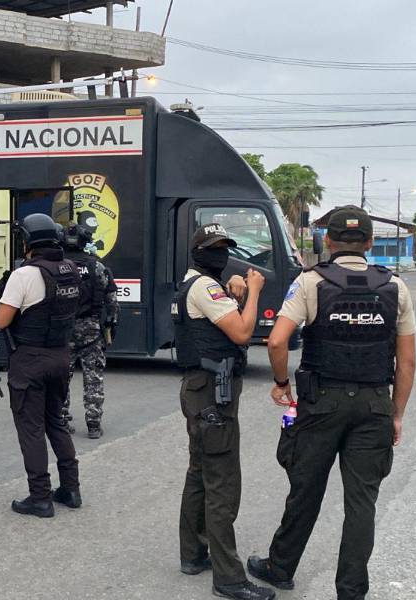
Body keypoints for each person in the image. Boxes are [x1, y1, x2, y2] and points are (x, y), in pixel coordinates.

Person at [247, 205, 416, 600]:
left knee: (305, 489)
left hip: (321, 401)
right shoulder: (396, 287)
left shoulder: (310, 282)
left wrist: (281, 382)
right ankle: (351, 591)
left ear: (328, 241)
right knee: (362, 503)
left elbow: (276, 340)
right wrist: (396, 414)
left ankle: (281, 567)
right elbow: (406, 360)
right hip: (374, 403)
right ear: (371, 242)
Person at [174, 223, 273, 600]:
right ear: (199, 251)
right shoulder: (204, 286)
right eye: (214, 248)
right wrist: (254, 293)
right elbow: (242, 332)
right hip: (213, 394)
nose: (221, 253)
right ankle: (229, 578)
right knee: (222, 481)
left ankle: (193, 553)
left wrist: (234, 291)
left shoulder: (197, 284)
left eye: (225, 247)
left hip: (200, 390)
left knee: (200, 472)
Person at [0, 213, 83, 518]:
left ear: (27, 240)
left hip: (30, 359)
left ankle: (40, 496)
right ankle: (71, 488)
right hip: (60, 355)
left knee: (31, 429)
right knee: (55, 420)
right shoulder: (69, 268)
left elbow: (1, 319)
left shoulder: (25, 275)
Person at [61, 219, 119, 439]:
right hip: (91, 330)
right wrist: (111, 323)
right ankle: (93, 424)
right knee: (93, 378)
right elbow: (111, 299)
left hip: (63, 330)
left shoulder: (58, 267)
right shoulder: (97, 266)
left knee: (61, 379)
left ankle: (61, 420)